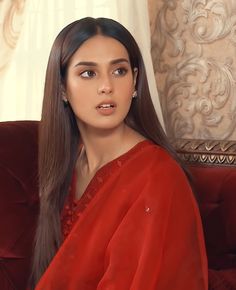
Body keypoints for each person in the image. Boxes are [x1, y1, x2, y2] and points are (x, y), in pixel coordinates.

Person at [30, 17, 208, 290]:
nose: (106, 87)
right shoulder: (68, 164)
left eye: (119, 71)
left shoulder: (157, 177)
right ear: (63, 88)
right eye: (88, 73)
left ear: (135, 81)